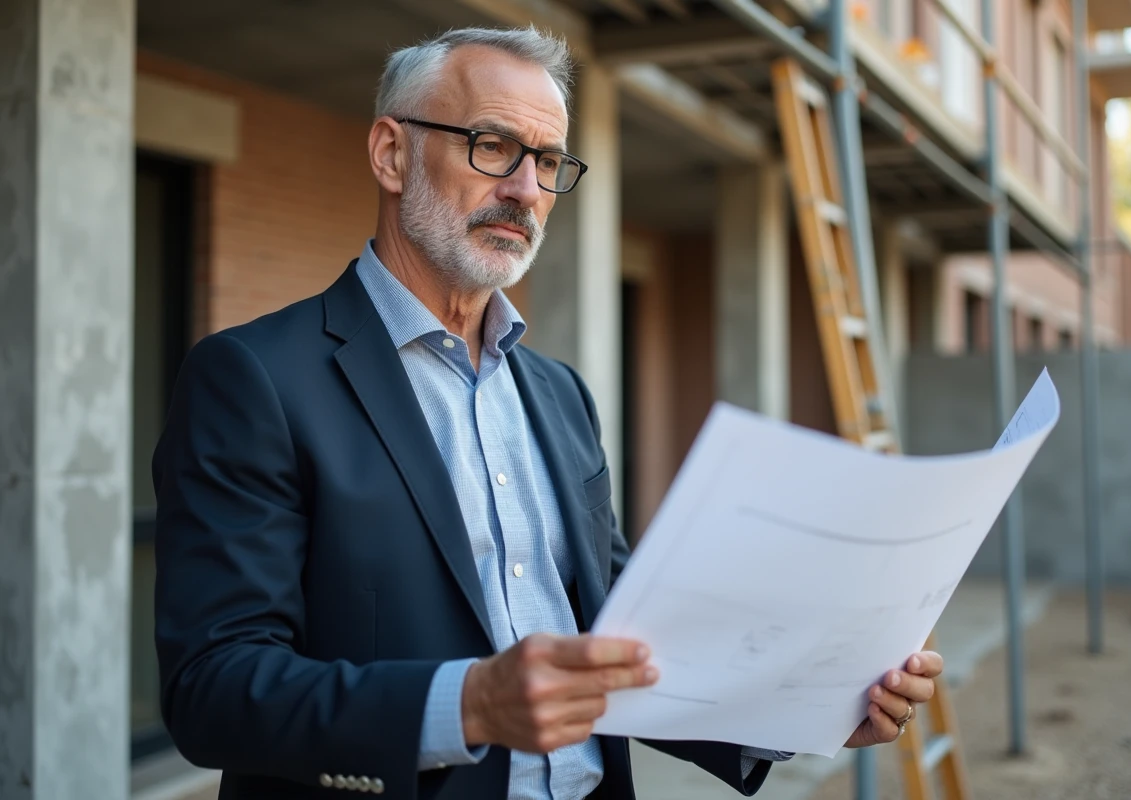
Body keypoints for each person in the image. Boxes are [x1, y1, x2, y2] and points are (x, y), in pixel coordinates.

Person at [152, 25, 943, 800]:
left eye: (548, 161)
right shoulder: (253, 377)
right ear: (392, 153)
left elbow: (620, 634)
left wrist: (807, 703)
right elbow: (213, 688)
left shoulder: (559, 392)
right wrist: (466, 704)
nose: (525, 191)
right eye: (492, 145)